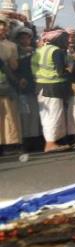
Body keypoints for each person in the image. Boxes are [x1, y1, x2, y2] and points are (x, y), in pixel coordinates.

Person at [32, 29, 71, 152]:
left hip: (39, 87)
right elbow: (60, 71)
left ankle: (52, 142)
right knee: (54, 115)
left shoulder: (39, 50)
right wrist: (70, 70)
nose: (68, 42)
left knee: (46, 116)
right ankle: (50, 144)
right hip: (53, 87)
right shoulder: (56, 51)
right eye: (66, 39)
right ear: (58, 39)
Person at [12, 27, 40, 151]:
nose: (24, 40)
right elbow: (13, 68)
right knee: (24, 115)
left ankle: (35, 140)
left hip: (34, 86)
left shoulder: (35, 52)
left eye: (27, 37)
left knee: (35, 114)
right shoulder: (15, 52)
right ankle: (25, 142)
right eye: (22, 37)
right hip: (21, 88)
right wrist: (19, 79)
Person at [0, 18, 21, 152]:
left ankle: (11, 143)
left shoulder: (11, 46)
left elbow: (14, 66)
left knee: (10, 114)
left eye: (3, 30)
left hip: (5, 83)